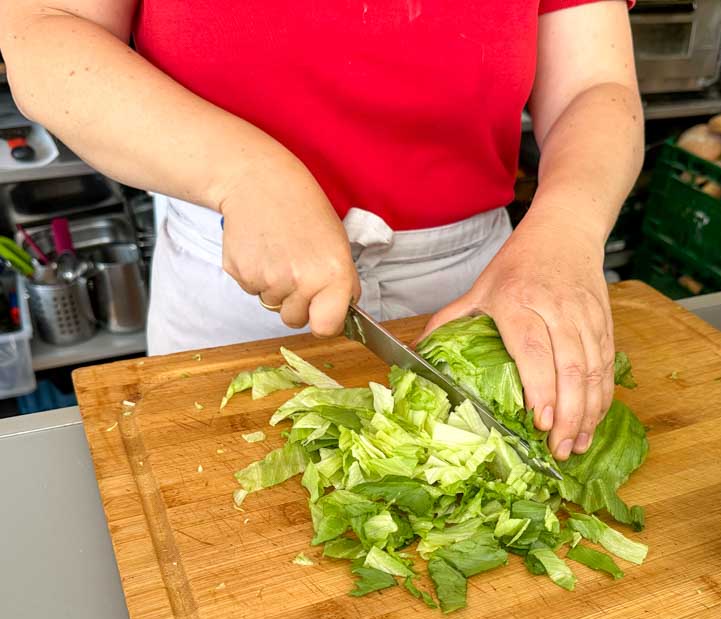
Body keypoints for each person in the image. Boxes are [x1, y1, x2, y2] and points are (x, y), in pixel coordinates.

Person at [0, 1, 643, 461]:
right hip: (235, 281)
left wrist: (566, 228)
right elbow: (45, 30)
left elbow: (595, 84)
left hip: (482, 288)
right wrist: (242, 173)